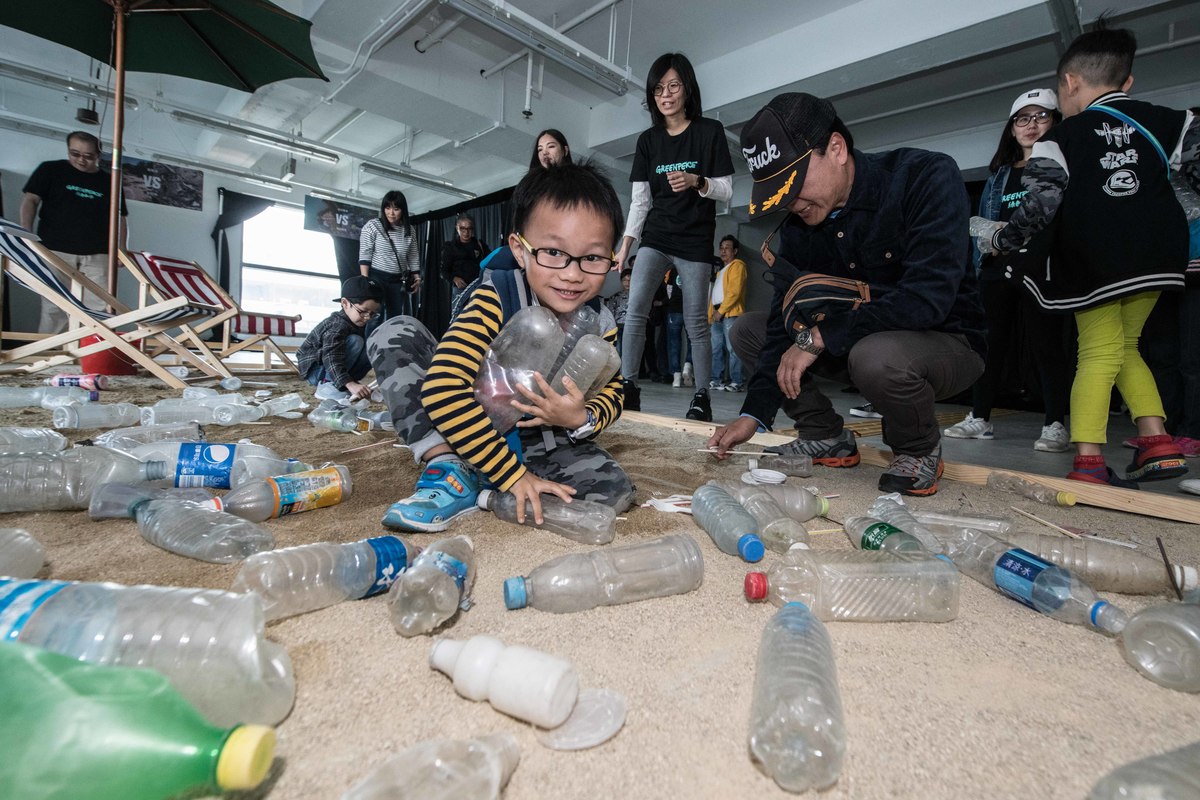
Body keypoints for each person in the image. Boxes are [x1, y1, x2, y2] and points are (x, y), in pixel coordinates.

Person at [709, 93, 986, 497]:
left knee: (875, 354)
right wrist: (754, 414)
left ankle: (916, 447)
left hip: (946, 342)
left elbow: (928, 299)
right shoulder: (800, 227)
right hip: (853, 348)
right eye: (779, 192)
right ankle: (825, 434)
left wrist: (819, 337)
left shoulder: (924, 177)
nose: (790, 202)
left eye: (794, 183)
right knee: (747, 331)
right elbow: (778, 324)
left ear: (836, 149)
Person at [976, 21, 1198, 487]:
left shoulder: (1061, 138)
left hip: (1094, 262)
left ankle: (1089, 462)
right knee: (1126, 347)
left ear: (1071, 83)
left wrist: (1000, 240)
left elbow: (1040, 206)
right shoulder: (1170, 120)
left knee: (1095, 353)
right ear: (1128, 82)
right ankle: (1158, 442)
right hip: (1159, 258)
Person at [367, 161, 633, 532]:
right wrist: (511, 476)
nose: (572, 274)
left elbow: (615, 390)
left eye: (591, 257)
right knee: (395, 333)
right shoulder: (498, 296)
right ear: (520, 250)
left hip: (536, 436)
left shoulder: (599, 322)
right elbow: (443, 389)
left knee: (612, 492)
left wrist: (581, 419)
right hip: (458, 417)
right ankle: (447, 465)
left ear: (612, 257)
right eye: (553, 253)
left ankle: (481, 484)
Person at [942, 89, 1074, 453]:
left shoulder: (1061, 169)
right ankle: (980, 419)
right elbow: (983, 226)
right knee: (989, 346)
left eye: (1041, 117)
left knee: (1047, 347)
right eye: (1023, 119)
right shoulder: (999, 175)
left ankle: (1055, 424)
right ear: (1012, 128)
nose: (1031, 125)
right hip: (997, 271)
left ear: (1055, 123)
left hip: (1041, 269)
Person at [614, 52, 735, 421]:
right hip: (656, 237)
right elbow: (640, 202)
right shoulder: (648, 141)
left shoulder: (709, 132)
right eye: (657, 89)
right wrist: (625, 248)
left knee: (696, 322)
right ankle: (628, 388)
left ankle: (701, 396)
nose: (665, 95)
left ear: (686, 89)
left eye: (673, 86)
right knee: (635, 313)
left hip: (695, 241)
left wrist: (698, 182)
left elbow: (727, 190)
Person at [19, 131, 128, 333]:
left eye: (88, 156)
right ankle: (49, 355)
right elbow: (30, 200)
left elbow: (120, 217)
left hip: (98, 253)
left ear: (98, 155)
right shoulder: (50, 170)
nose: (80, 160)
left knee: (100, 308)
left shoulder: (110, 182)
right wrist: (26, 233)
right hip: (54, 249)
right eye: (74, 153)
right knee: (55, 306)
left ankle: (92, 355)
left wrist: (121, 249)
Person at [296, 275, 384, 402]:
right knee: (355, 341)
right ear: (345, 303)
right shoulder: (337, 325)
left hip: (334, 368)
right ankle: (327, 385)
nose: (367, 317)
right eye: (363, 311)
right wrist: (349, 384)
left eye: (372, 314)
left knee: (371, 347)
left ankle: (344, 383)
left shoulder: (357, 320)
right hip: (316, 370)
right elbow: (331, 357)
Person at [358, 191, 421, 320]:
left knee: (395, 317)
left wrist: (417, 277)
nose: (391, 213)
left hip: (397, 280)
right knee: (374, 316)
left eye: (396, 209)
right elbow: (365, 253)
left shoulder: (409, 230)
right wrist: (365, 281)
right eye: (387, 208)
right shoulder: (373, 226)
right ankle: (371, 340)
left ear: (403, 210)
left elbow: (413, 255)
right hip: (376, 277)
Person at [710, 235, 747, 392]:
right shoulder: (721, 271)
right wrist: (712, 314)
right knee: (716, 348)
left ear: (735, 251)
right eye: (721, 248)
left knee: (733, 349)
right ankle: (716, 380)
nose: (723, 251)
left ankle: (737, 381)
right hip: (718, 313)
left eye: (727, 248)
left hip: (729, 313)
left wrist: (721, 311)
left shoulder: (738, 266)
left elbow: (734, 292)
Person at [441, 213, 486, 304]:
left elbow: (489, 261)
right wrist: (454, 278)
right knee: (459, 316)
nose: (466, 232)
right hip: (460, 290)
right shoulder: (451, 247)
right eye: (462, 228)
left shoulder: (479, 244)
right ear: (457, 228)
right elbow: (443, 271)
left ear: (473, 229)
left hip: (477, 287)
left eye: (469, 228)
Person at [605, 267, 631, 355]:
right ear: (621, 281)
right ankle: (619, 369)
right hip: (619, 327)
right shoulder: (616, 296)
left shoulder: (637, 297)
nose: (627, 283)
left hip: (632, 327)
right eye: (624, 280)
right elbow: (610, 314)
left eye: (630, 280)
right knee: (618, 351)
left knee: (630, 352)